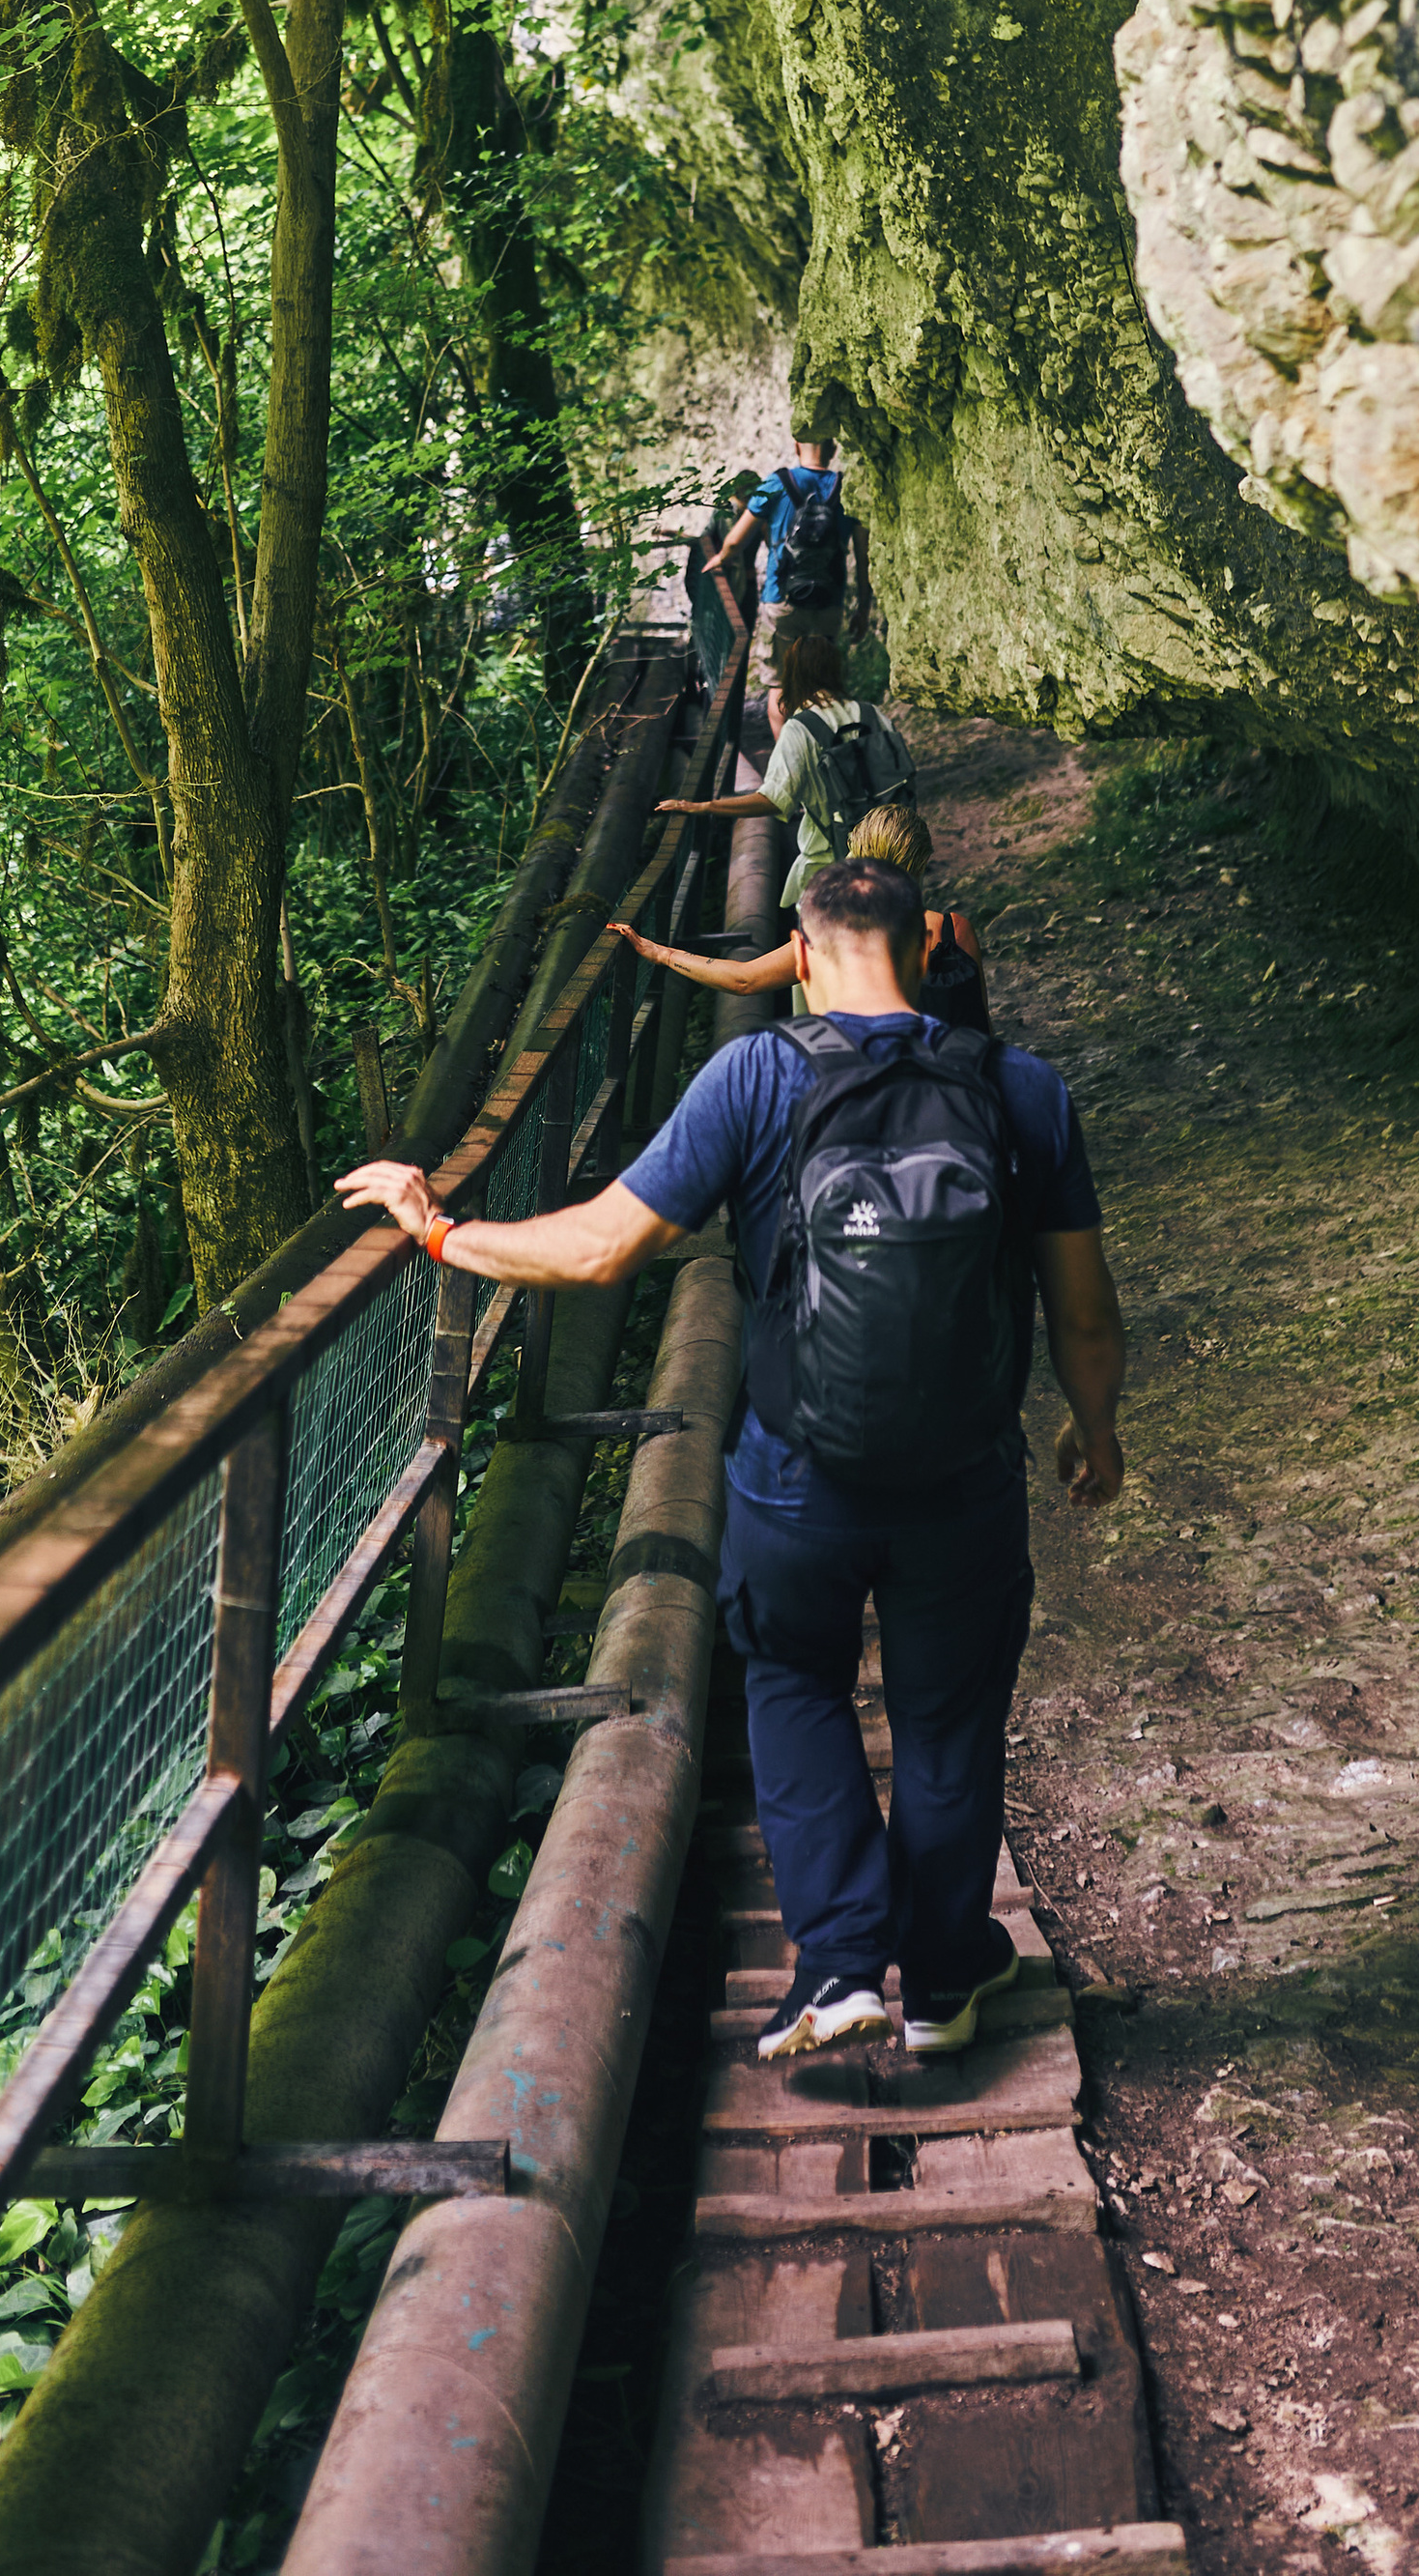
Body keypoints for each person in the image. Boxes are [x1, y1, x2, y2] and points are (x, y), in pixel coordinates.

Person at [336, 854, 1126, 2065]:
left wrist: (442, 1228)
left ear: (800, 958)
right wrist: (1092, 1422)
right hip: (964, 1480)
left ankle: (841, 1967)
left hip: (795, 1477)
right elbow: (1081, 1308)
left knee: (795, 1686)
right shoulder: (1021, 1090)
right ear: (927, 948)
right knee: (948, 1720)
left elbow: (604, 1245)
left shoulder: (754, 1074)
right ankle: (946, 1978)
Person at [655, 632, 916, 985]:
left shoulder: (801, 728)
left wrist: (704, 806)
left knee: (819, 964)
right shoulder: (873, 714)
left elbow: (773, 798)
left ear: (793, 675)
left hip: (829, 869)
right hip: (887, 861)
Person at [618, 796, 990, 1032]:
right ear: (922, 862)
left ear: (856, 854)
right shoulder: (954, 930)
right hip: (960, 1096)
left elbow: (743, 980)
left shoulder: (838, 935)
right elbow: (981, 1026)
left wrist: (662, 954)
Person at [703, 423, 873, 730]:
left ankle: (791, 764)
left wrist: (720, 558)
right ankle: (829, 756)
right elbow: (863, 559)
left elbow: (735, 541)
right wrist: (863, 608)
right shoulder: (849, 489)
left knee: (780, 687)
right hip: (829, 606)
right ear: (834, 450)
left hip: (782, 603)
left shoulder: (777, 483)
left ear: (796, 446)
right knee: (825, 688)